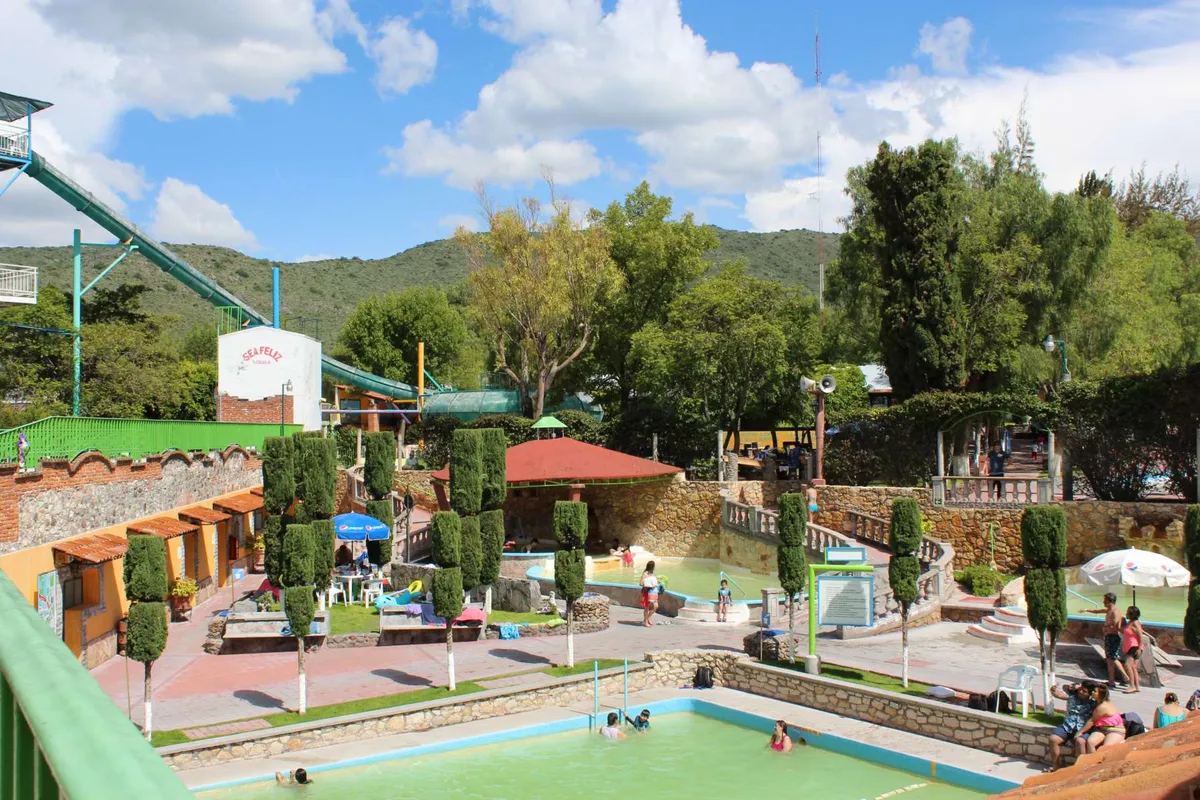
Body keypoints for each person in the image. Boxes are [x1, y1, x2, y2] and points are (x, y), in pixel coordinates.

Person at [1081, 592, 1130, 688]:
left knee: (1113, 658)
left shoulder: (1115, 612)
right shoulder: (1109, 610)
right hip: (1109, 637)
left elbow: (1116, 627)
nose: (1103, 601)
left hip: (1113, 637)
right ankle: (1111, 681)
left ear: (1109, 601)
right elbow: (1097, 610)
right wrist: (1086, 610)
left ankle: (1126, 677)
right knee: (1109, 659)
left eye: (1104, 600)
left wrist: (1107, 628)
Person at [1047, 682, 1096, 772]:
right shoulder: (1072, 696)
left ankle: (1081, 768)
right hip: (1067, 726)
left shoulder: (1094, 703)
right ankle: (1056, 766)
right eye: (1080, 689)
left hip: (1082, 728)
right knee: (1053, 739)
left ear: (1090, 693)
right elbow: (1060, 693)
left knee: (1080, 741)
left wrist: (1080, 732)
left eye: (1084, 691)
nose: (1081, 692)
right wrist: (1053, 690)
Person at [1074, 684, 1125, 754]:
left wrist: (1080, 732)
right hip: (1102, 729)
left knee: (1105, 748)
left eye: (1095, 691)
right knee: (1090, 742)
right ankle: (1091, 760)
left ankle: (1099, 763)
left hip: (1115, 730)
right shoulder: (1099, 702)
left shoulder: (1103, 706)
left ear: (1100, 694)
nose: (1092, 693)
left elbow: (1092, 721)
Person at [1121, 606, 1144, 694]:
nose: (1126, 613)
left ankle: (1132, 686)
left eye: (1127, 612)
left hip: (1133, 647)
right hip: (1130, 646)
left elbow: (1140, 636)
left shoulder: (1135, 623)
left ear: (1132, 614)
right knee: (1133, 667)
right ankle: (1137, 686)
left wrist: (1139, 648)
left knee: (1127, 665)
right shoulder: (1130, 622)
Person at [640, 561, 659, 627]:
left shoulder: (651, 573)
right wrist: (650, 586)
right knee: (647, 607)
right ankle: (645, 621)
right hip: (647, 592)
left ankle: (647, 618)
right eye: (654, 566)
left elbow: (652, 581)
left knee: (655, 606)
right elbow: (641, 583)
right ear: (652, 566)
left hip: (653, 592)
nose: (655, 567)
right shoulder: (645, 573)